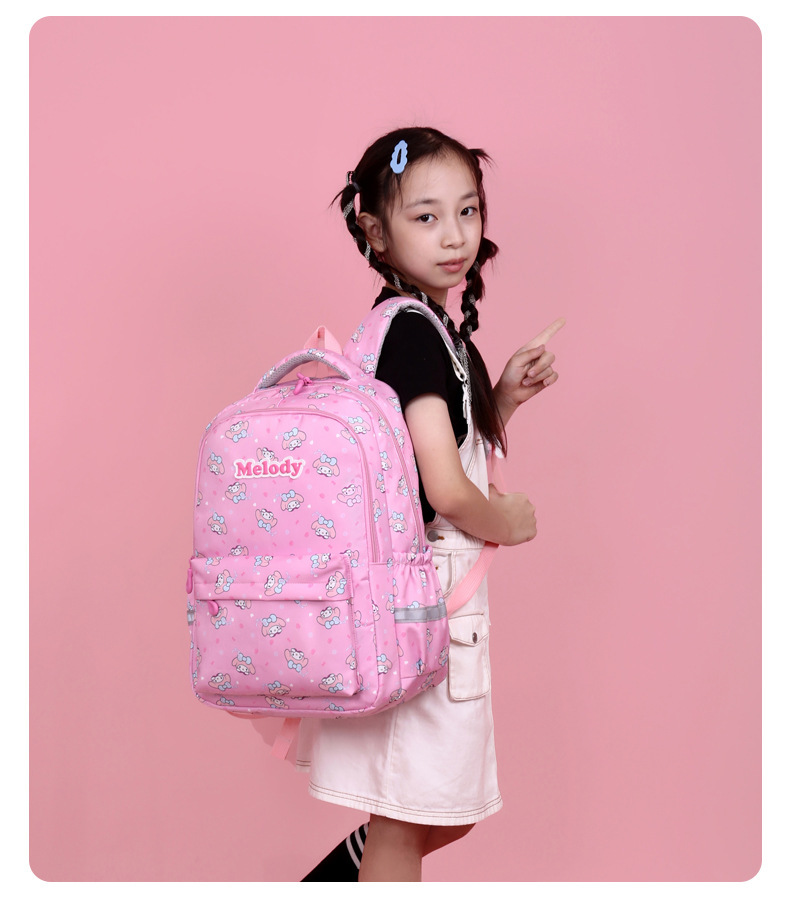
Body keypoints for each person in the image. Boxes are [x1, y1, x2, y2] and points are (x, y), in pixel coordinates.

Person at [299, 126, 563, 882]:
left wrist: (502, 395)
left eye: (467, 211)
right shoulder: (413, 335)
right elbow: (444, 490)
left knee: (434, 812)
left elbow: (421, 460)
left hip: (421, 604)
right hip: (423, 610)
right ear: (375, 231)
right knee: (408, 815)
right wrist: (508, 522)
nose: (454, 235)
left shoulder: (428, 329)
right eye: (426, 216)